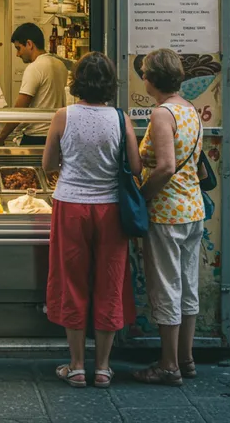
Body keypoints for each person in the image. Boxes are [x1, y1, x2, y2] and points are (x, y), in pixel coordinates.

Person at [43, 52, 141, 388]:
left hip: (70, 206)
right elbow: (136, 166)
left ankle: (75, 366)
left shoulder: (62, 116)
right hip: (111, 209)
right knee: (109, 282)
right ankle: (102, 367)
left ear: (77, 82)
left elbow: (48, 165)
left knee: (72, 281)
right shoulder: (120, 118)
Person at [134, 49, 207, 387]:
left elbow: (164, 166)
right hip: (193, 209)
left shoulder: (162, 115)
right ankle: (186, 358)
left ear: (151, 79)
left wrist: (142, 196)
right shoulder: (189, 109)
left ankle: (167, 365)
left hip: (166, 212)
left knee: (166, 288)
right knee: (187, 287)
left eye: (144, 72)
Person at [0, 22, 68, 147]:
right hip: (58, 135)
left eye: (18, 48)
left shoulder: (34, 68)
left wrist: (1, 137)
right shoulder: (60, 65)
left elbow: (20, 109)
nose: (18, 54)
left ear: (29, 44)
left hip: (37, 137)